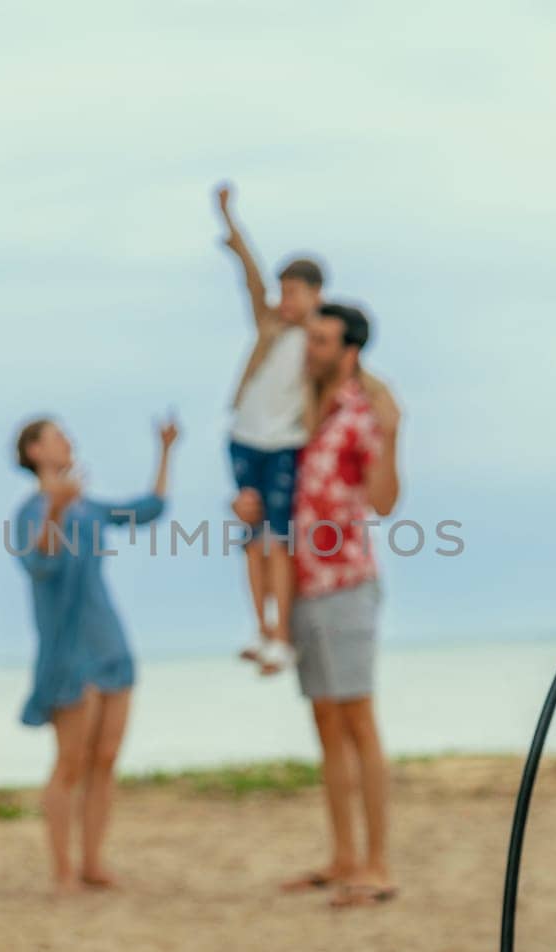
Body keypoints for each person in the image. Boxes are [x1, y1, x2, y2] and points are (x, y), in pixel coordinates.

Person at [237, 303, 402, 907]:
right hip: (304, 587)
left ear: (349, 350)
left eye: (322, 340)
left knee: (358, 722)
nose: (310, 349)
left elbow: (384, 501)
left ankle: (378, 865)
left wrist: (395, 435)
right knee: (327, 726)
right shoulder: (303, 416)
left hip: (347, 585)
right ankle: (343, 857)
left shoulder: (362, 417)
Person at [11, 416, 179, 894]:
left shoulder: (86, 506)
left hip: (110, 643)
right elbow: (38, 564)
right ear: (35, 451)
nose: (68, 437)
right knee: (71, 762)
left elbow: (147, 510)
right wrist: (54, 511)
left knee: (105, 758)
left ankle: (92, 862)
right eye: (56, 433)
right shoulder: (31, 510)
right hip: (69, 652)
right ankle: (63, 870)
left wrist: (165, 451)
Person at [215, 181, 322, 676]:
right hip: (244, 437)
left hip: (286, 444)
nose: (283, 299)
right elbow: (250, 278)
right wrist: (231, 224)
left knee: (280, 540)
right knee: (253, 539)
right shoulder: (271, 326)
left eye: (293, 292)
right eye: (282, 291)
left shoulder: (321, 337)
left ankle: (283, 634)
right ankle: (262, 631)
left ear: (315, 294)